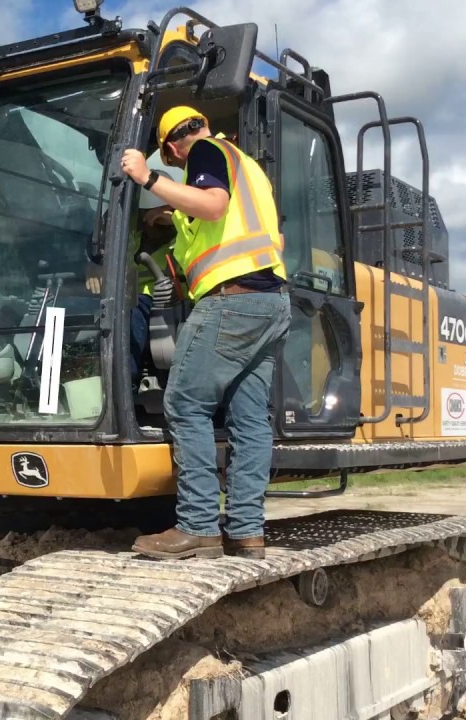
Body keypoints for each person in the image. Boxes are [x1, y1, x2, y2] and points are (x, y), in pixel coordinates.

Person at [120, 106, 291, 559]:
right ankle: (246, 532)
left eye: (170, 160)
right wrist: (164, 217)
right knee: (250, 422)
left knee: (184, 402)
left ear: (174, 145)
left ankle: (197, 525)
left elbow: (211, 203)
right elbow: (225, 223)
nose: (176, 165)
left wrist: (148, 178)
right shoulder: (248, 167)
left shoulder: (206, 151)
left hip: (232, 302)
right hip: (270, 302)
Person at [128, 153, 180, 391]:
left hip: (172, 302)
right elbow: (103, 255)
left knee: (135, 308)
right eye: (151, 215)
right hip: (128, 298)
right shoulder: (131, 238)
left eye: (163, 213)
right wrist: (94, 266)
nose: (155, 221)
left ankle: (127, 379)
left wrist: (174, 222)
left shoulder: (183, 238)